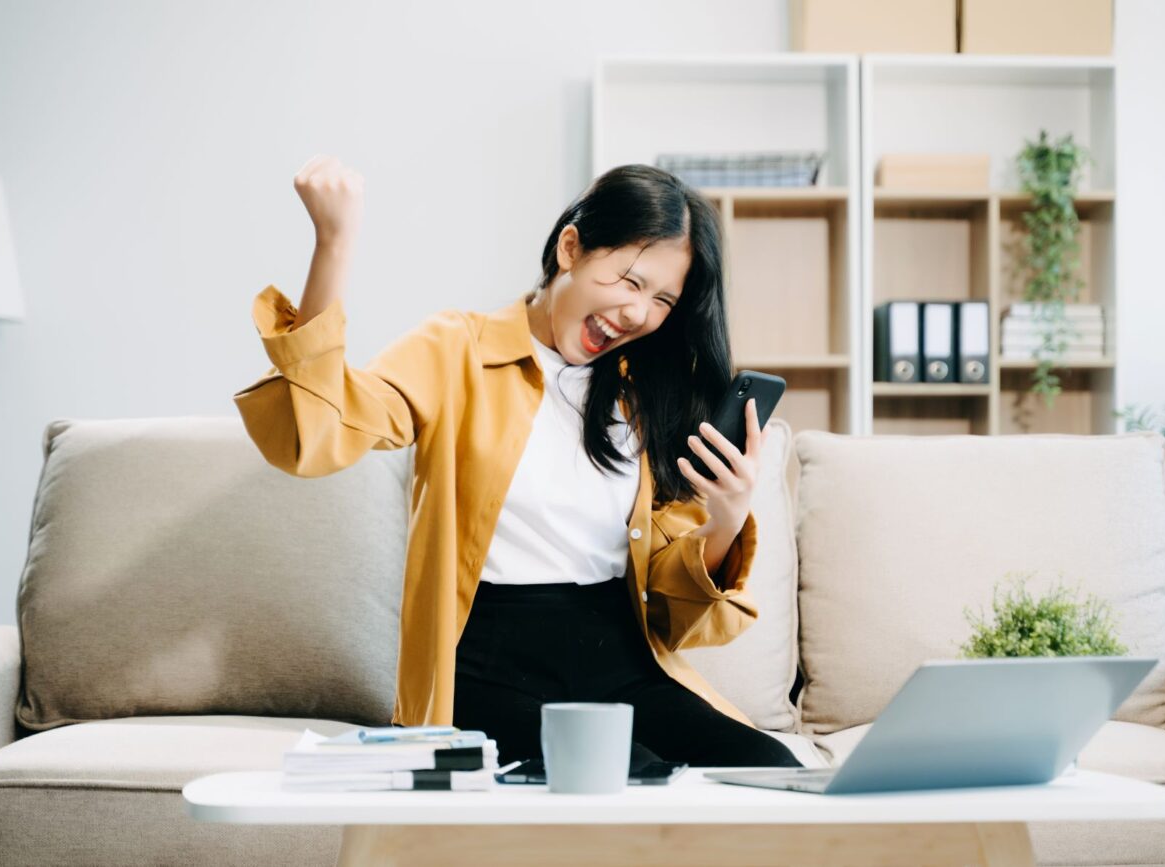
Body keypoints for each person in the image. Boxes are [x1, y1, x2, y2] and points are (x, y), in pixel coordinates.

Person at [234, 154, 802, 769]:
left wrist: (725, 519)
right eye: (631, 281)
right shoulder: (456, 348)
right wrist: (333, 243)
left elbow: (670, 614)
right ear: (571, 248)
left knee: (772, 768)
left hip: (619, 664)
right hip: (487, 671)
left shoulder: (648, 395)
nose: (639, 313)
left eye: (664, 299)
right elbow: (313, 433)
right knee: (625, 777)